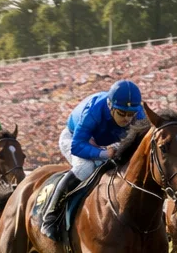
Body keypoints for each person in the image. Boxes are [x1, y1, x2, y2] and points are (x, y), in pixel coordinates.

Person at [41, 79, 142, 238]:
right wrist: (102, 154)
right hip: (76, 138)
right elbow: (77, 146)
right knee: (85, 168)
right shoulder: (93, 110)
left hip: (110, 142)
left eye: (131, 114)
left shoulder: (139, 113)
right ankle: (50, 216)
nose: (127, 119)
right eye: (122, 113)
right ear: (110, 106)